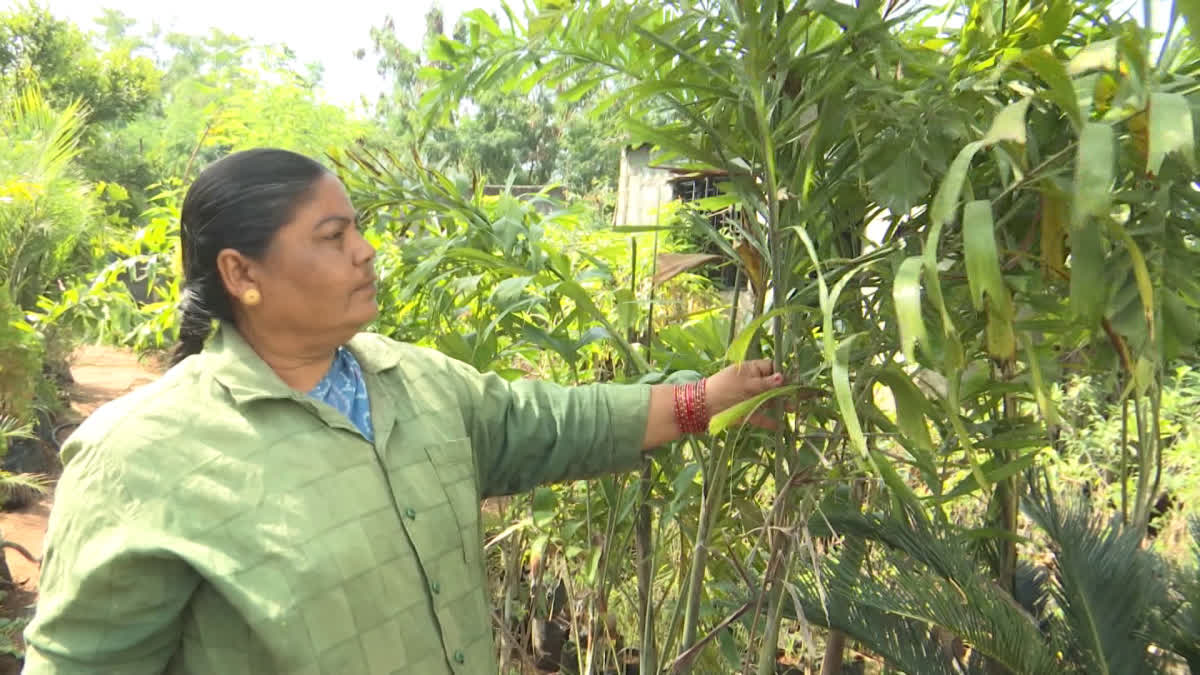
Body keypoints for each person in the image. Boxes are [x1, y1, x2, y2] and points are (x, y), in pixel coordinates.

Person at [22, 148, 785, 674]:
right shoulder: (142, 456)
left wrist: (702, 400)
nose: (366, 250)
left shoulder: (416, 383)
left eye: (357, 227)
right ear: (241, 272)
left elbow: (548, 425)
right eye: (333, 235)